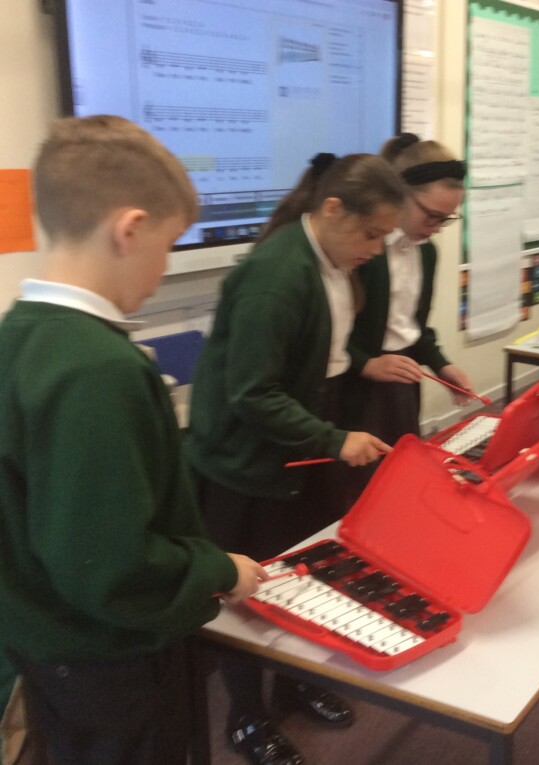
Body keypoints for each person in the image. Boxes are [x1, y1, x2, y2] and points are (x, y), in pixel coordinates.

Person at [0, 115, 264, 765]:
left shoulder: (17, 334)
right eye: (168, 244)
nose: (164, 266)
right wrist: (220, 569)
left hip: (46, 639)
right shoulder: (99, 369)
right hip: (108, 656)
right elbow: (109, 566)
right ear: (130, 229)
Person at [186, 152, 405, 765]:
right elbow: (253, 393)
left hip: (298, 448)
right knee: (247, 591)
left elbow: (323, 359)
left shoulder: (330, 262)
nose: (375, 249)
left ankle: (295, 681)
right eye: (370, 234)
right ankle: (246, 717)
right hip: (248, 465)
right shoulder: (276, 276)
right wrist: (332, 440)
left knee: (303, 572)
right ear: (332, 210)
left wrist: (330, 432)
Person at [343, 134, 472, 437]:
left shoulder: (425, 252)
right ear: (400, 193)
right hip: (353, 387)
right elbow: (328, 332)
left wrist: (442, 365)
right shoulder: (364, 251)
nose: (437, 228)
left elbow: (412, 327)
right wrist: (366, 364)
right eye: (432, 216)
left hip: (402, 380)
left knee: (403, 456)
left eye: (446, 219)